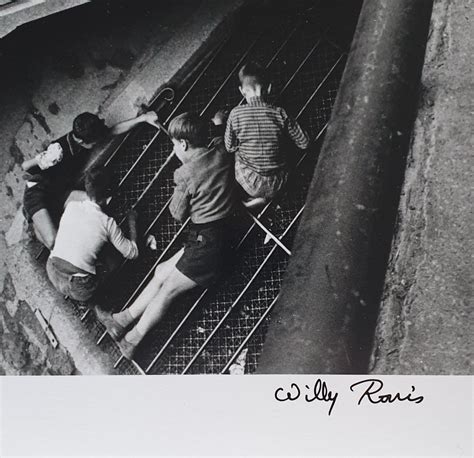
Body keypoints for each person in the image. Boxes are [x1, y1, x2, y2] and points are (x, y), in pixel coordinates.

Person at [95, 112, 235, 359]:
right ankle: (120, 320)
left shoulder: (185, 174)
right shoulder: (221, 153)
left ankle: (132, 340)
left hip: (207, 245)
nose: (173, 148)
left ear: (183, 144)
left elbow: (177, 214)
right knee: (162, 272)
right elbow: (221, 138)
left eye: (173, 143)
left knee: (168, 289)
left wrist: (181, 189)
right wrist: (219, 123)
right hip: (213, 234)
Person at [22, 110, 159, 250]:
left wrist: (142, 118)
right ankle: (34, 219)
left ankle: (137, 235)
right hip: (38, 193)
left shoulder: (87, 134)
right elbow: (25, 166)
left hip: (60, 193)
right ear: (81, 141)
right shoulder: (58, 151)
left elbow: (113, 131)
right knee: (52, 242)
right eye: (94, 143)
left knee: (99, 203)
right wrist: (43, 159)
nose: (97, 144)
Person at [46, 167, 139, 302]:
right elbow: (132, 253)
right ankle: (99, 299)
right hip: (77, 288)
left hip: (52, 270)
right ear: (109, 199)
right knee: (113, 258)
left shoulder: (72, 205)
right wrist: (132, 222)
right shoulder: (108, 222)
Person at [224, 61, 310, 208]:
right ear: (269, 88)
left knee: (237, 153)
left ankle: (256, 197)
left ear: (241, 91)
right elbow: (304, 143)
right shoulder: (280, 113)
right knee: (284, 149)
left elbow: (229, 147)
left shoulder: (235, 114)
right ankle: (270, 197)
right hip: (278, 182)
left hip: (250, 182)